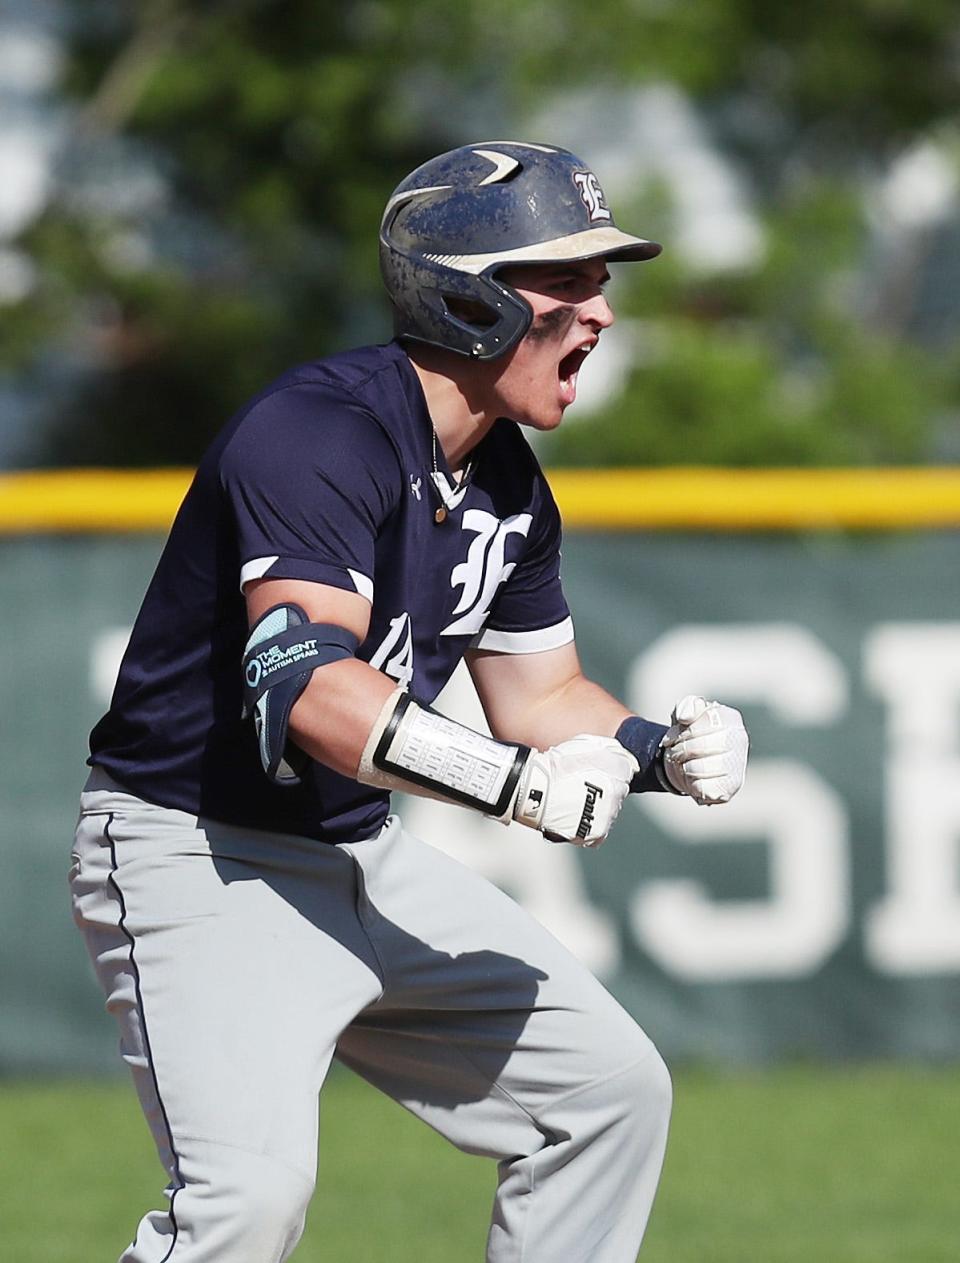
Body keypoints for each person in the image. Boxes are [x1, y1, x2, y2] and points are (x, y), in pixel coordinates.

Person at [70, 140, 749, 1263]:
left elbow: (543, 698)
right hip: (196, 853)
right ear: (467, 297)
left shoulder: (507, 481)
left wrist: (653, 751)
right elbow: (304, 689)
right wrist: (517, 789)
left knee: (609, 1093)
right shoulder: (316, 433)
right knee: (246, 1205)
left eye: (602, 281)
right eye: (568, 280)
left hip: (353, 850)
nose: (601, 312)